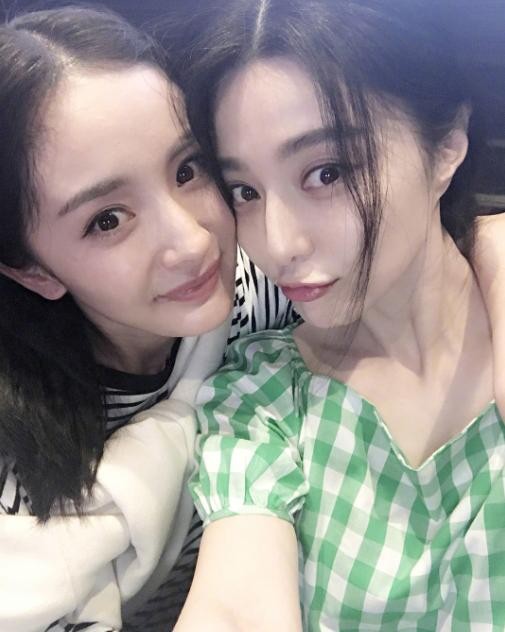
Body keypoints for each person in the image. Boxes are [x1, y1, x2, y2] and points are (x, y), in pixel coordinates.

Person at [171, 0, 505, 629]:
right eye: (246, 191)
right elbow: (235, 606)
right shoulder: (266, 399)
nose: (277, 243)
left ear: (445, 146)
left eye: (326, 172)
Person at [0, 6, 296, 631]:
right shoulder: (20, 464)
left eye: (187, 170)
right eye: (107, 220)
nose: (193, 242)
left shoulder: (252, 289)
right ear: (33, 271)